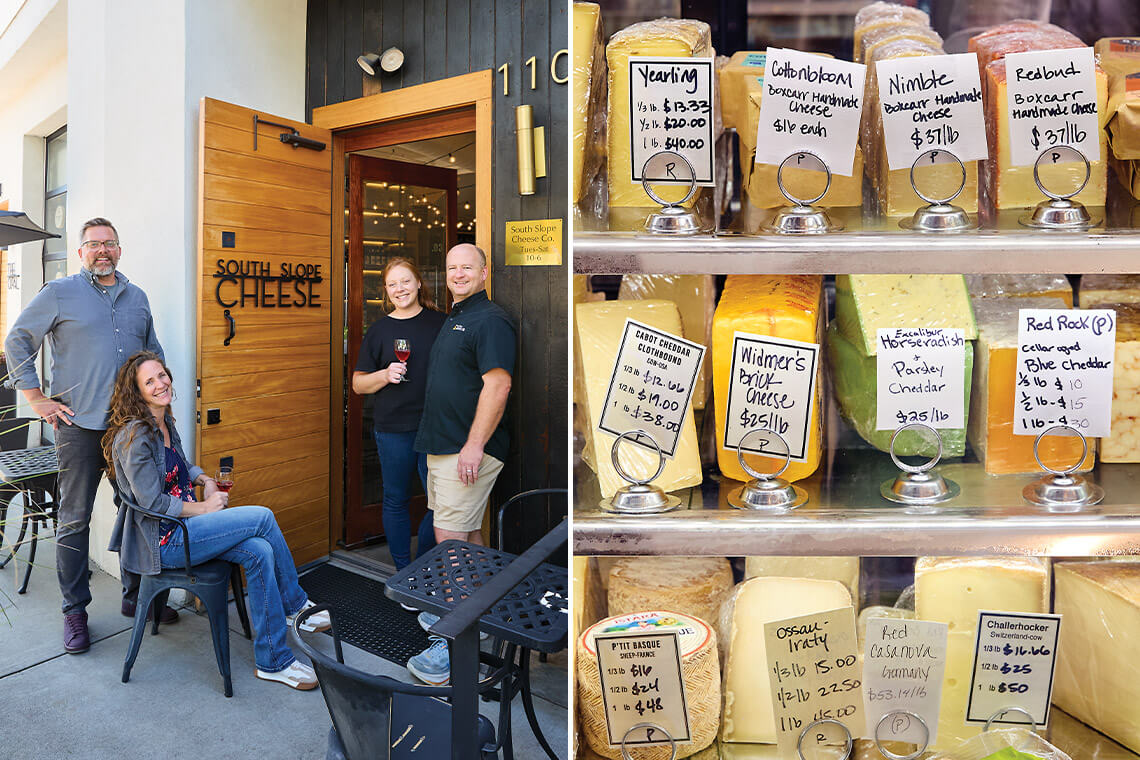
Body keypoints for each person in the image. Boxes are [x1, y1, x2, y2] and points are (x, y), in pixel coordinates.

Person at [103, 351, 331, 690]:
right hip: (164, 541)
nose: (160, 384)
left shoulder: (163, 421)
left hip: (187, 530)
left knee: (259, 551)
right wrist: (206, 508)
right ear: (136, 393)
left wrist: (204, 478)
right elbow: (151, 500)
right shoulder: (135, 436)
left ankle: (273, 661)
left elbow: (180, 464)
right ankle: (295, 605)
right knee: (263, 518)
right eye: (149, 382)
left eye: (161, 375)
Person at [4, 217, 177, 655]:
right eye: (94, 244)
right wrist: (37, 399)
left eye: (110, 244)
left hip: (128, 429)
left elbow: (151, 355)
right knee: (75, 518)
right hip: (78, 428)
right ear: (81, 251)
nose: (103, 251)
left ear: (120, 250)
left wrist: (159, 414)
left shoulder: (137, 298)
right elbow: (18, 340)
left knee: (138, 510)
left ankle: (138, 595)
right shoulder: (59, 293)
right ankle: (75, 612)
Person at [407, 243, 516, 686]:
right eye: (452, 268)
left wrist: (474, 445)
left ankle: (450, 650)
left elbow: (498, 385)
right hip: (444, 449)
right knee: (467, 540)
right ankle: (478, 626)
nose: (458, 274)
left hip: (465, 452)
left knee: (449, 547)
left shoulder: (490, 320)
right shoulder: (457, 316)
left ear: (484, 273)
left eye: (466, 267)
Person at [351, 257, 444, 575]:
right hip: (393, 428)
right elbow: (358, 384)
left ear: (419, 283)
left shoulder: (440, 323)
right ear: (386, 292)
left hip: (434, 427)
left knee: (439, 502)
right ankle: (404, 571)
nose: (400, 289)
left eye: (405, 281)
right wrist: (385, 375)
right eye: (393, 284)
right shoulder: (380, 331)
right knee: (395, 499)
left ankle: (426, 567)